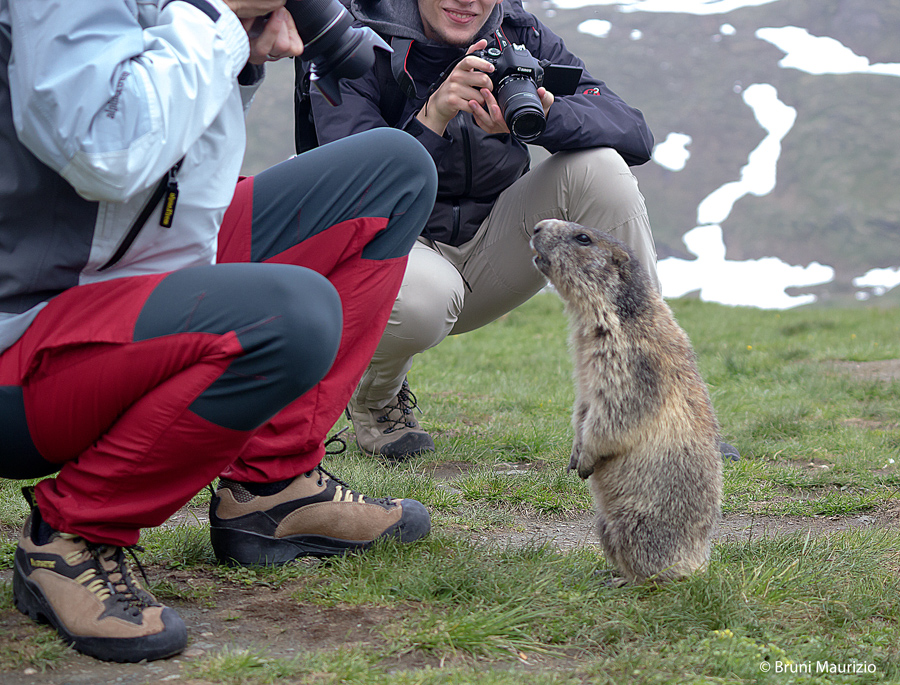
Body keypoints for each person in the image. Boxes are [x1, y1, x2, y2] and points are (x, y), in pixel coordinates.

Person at [0, 0, 437, 663]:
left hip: (119, 270)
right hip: (23, 337)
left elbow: (184, 199)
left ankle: (273, 488)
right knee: (287, 315)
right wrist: (216, 19)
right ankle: (71, 535)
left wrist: (238, 45)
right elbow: (105, 150)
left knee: (392, 172)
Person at [303, 0, 661, 460]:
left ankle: (648, 406)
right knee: (421, 300)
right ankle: (376, 400)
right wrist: (433, 117)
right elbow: (352, 189)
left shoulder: (519, 33)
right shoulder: (353, 39)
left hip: (495, 245)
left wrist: (548, 118)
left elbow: (633, 131)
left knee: (601, 166)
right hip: (398, 248)